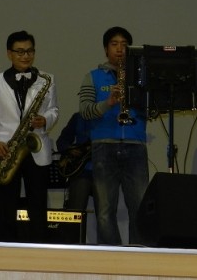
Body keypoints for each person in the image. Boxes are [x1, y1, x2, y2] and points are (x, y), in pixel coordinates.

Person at [0, 30, 58, 243]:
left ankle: (39, 248)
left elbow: (54, 110)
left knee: (38, 205)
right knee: (6, 206)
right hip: (8, 150)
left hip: (37, 149)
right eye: (20, 51)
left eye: (30, 51)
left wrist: (45, 120)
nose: (26, 56)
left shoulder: (47, 79)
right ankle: (6, 248)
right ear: (9, 54)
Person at [79, 26, 149, 246]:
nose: (119, 49)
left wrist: (138, 97)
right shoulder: (93, 76)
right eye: (114, 44)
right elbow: (85, 111)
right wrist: (108, 103)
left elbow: (152, 110)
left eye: (124, 45)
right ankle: (111, 255)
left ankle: (139, 252)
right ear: (105, 49)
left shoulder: (141, 78)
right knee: (104, 210)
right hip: (104, 146)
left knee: (139, 207)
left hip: (135, 145)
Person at [55, 112, 93, 211]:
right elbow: (62, 141)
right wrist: (69, 149)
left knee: (105, 215)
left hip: (105, 172)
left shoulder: (110, 117)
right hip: (81, 171)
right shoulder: (78, 117)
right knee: (75, 212)